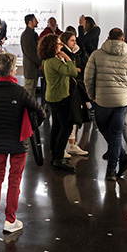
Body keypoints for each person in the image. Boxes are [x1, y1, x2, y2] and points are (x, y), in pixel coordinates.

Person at [0, 52, 44, 234]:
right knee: (14, 180)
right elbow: (41, 112)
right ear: (11, 69)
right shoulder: (20, 92)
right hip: (19, 141)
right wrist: (31, 126)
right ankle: (10, 220)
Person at [84, 28, 127, 180]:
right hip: (122, 101)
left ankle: (119, 162)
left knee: (104, 129)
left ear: (108, 38)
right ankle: (113, 169)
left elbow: (88, 78)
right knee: (115, 133)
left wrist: (92, 96)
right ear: (123, 40)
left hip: (101, 100)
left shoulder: (96, 55)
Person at [40, 35, 77, 172]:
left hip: (53, 97)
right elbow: (72, 72)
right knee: (66, 127)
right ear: (52, 46)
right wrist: (68, 59)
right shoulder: (53, 62)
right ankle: (58, 157)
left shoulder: (48, 61)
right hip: (60, 97)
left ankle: (55, 155)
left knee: (56, 126)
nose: (61, 46)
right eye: (59, 44)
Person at [61, 31, 90, 157]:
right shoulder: (61, 53)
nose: (75, 42)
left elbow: (83, 67)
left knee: (75, 116)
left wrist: (77, 69)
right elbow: (70, 71)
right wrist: (74, 69)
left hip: (77, 87)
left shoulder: (79, 51)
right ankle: (62, 147)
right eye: (72, 40)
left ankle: (72, 144)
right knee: (64, 119)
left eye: (75, 40)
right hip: (67, 88)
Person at [20, 14, 41, 100]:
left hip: (34, 68)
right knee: (29, 91)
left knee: (33, 91)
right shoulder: (26, 35)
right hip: (30, 68)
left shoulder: (34, 34)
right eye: (35, 20)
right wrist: (40, 62)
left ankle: (30, 111)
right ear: (30, 22)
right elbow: (30, 52)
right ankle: (27, 112)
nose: (37, 22)